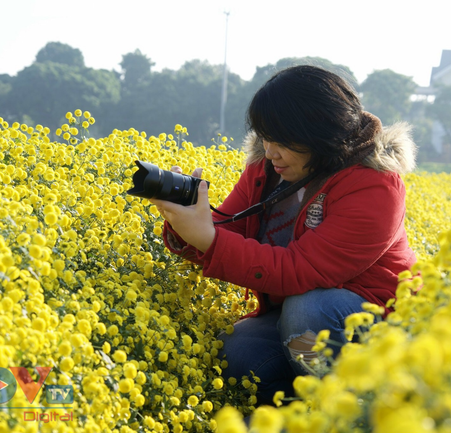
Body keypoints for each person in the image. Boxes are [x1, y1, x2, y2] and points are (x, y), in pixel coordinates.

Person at [150, 65, 417, 406]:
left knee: (308, 310)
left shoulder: (375, 184)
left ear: (321, 135)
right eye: (265, 136)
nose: (270, 150)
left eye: (282, 140)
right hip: (300, 324)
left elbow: (301, 272)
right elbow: (227, 227)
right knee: (239, 348)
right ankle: (291, 408)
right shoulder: (268, 169)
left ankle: (339, 410)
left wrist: (207, 238)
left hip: (378, 322)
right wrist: (183, 217)